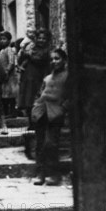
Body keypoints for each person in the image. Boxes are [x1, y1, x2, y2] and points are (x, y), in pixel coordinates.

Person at [31, 48, 69, 186]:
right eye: (52, 59)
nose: (54, 61)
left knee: (51, 144)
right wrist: (36, 108)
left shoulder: (68, 76)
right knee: (40, 144)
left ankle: (54, 174)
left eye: (57, 58)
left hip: (56, 114)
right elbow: (40, 93)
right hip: (42, 113)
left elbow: (72, 96)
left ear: (64, 60)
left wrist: (63, 108)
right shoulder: (47, 78)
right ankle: (40, 174)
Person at [18, 28, 51, 130]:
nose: (41, 40)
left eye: (43, 38)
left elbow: (40, 60)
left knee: (38, 101)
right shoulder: (32, 47)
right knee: (28, 101)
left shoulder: (47, 51)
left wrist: (28, 55)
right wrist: (23, 54)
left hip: (39, 78)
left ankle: (40, 122)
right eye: (39, 38)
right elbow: (21, 59)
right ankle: (31, 123)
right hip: (28, 78)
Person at [0, 31, 18, 118]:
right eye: (1, 39)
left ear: (9, 40)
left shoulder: (9, 50)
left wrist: (7, 71)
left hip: (10, 76)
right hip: (3, 75)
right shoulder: (2, 51)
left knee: (11, 95)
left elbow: (11, 62)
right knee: (4, 95)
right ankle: (5, 112)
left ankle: (12, 113)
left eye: (4, 39)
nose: (2, 41)